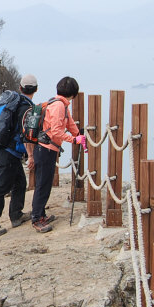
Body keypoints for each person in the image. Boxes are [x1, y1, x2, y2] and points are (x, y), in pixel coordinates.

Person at [30, 76, 86, 233]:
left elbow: (70, 123)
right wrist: (74, 140)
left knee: (45, 183)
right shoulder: (59, 106)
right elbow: (56, 131)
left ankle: (40, 214)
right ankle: (36, 219)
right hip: (45, 149)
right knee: (42, 184)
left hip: (47, 149)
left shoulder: (60, 104)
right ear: (73, 93)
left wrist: (78, 134)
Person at [0, 74, 37, 237]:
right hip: (10, 152)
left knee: (20, 182)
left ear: (20, 88)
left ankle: (16, 215)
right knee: (2, 186)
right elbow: (28, 135)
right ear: (36, 89)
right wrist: (31, 156)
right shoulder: (28, 108)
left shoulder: (14, 103)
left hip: (6, 150)